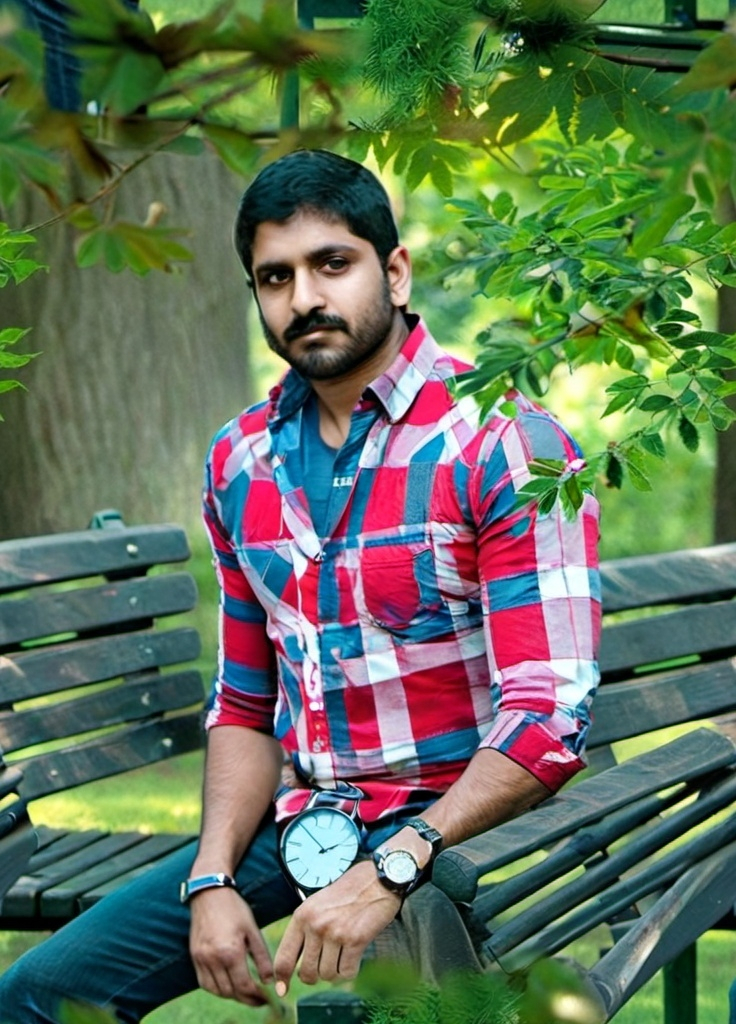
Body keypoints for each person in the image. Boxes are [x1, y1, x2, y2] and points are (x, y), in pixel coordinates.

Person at [0, 149, 601, 1022]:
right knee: (38, 995)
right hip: (305, 823)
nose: (304, 298)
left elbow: (548, 716)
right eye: (273, 277)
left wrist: (394, 866)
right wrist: (210, 875)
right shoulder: (239, 460)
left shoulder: (504, 441)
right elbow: (244, 702)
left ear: (394, 272)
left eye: (332, 264)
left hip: (467, 831)